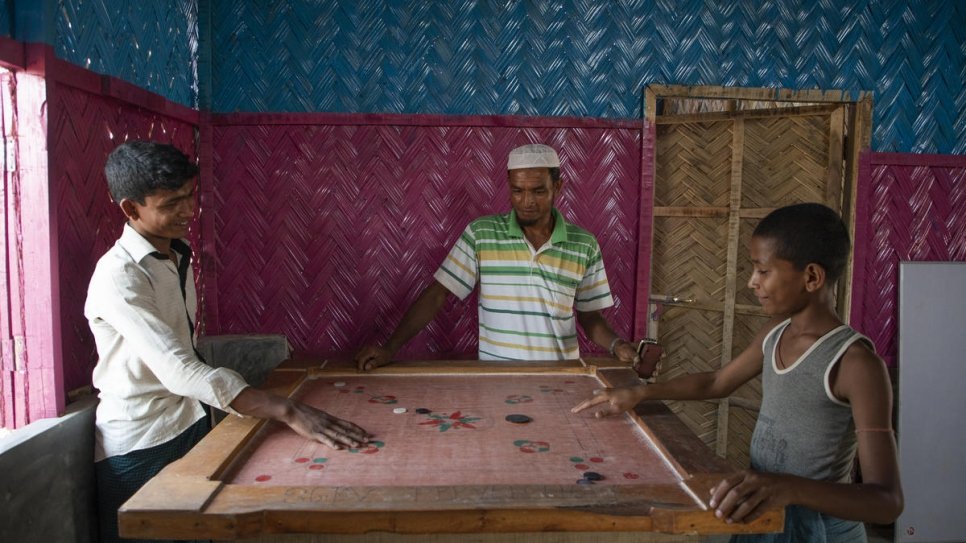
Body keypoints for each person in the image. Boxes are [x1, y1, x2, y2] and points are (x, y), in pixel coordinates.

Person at [86, 141, 371, 543]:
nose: (188, 212)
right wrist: (284, 409)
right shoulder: (120, 276)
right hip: (141, 445)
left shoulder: (175, 257)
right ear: (131, 210)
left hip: (192, 423)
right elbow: (178, 370)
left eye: (190, 197)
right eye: (172, 204)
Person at [572, 203, 903, 542]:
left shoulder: (855, 363)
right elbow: (717, 382)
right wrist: (641, 392)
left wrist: (787, 487)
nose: (751, 282)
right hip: (761, 512)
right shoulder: (775, 334)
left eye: (763, 271)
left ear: (812, 277)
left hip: (819, 530)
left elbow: (886, 502)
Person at [354, 143, 641, 370]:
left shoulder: (583, 244)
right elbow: (437, 295)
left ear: (558, 187)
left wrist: (617, 345)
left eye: (538, 191)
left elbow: (590, 317)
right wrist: (390, 348)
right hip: (496, 377)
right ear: (509, 186)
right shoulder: (481, 235)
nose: (527, 201)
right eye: (518, 191)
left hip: (561, 377)